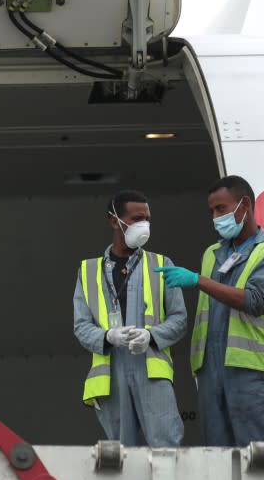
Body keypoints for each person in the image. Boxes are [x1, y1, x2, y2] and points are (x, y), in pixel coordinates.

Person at [156, 175, 264, 446]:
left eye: (221, 209)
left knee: (257, 459)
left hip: (249, 372)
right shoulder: (212, 253)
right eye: (212, 211)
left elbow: (256, 301)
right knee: (217, 462)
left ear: (244, 206)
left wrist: (198, 281)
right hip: (210, 373)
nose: (216, 217)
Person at [73, 190, 187, 446]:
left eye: (147, 218)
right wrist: (107, 336)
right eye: (137, 219)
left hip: (151, 370)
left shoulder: (161, 264)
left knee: (166, 446)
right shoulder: (88, 270)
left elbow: (179, 319)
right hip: (110, 374)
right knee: (121, 454)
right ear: (115, 221)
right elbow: (81, 326)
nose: (144, 225)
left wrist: (152, 336)